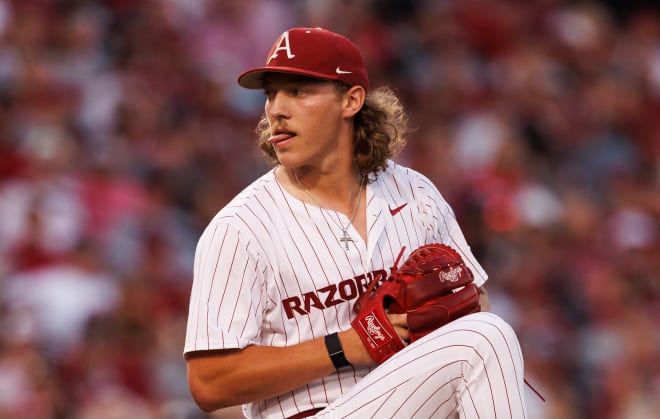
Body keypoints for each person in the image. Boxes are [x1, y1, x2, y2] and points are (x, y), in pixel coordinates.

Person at [184, 27, 528, 418]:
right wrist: (343, 345)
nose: (276, 109)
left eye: (298, 91)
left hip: (408, 404)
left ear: (351, 101)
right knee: (488, 337)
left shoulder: (414, 193)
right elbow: (208, 383)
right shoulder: (240, 228)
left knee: (488, 333)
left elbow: (475, 302)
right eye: (271, 93)